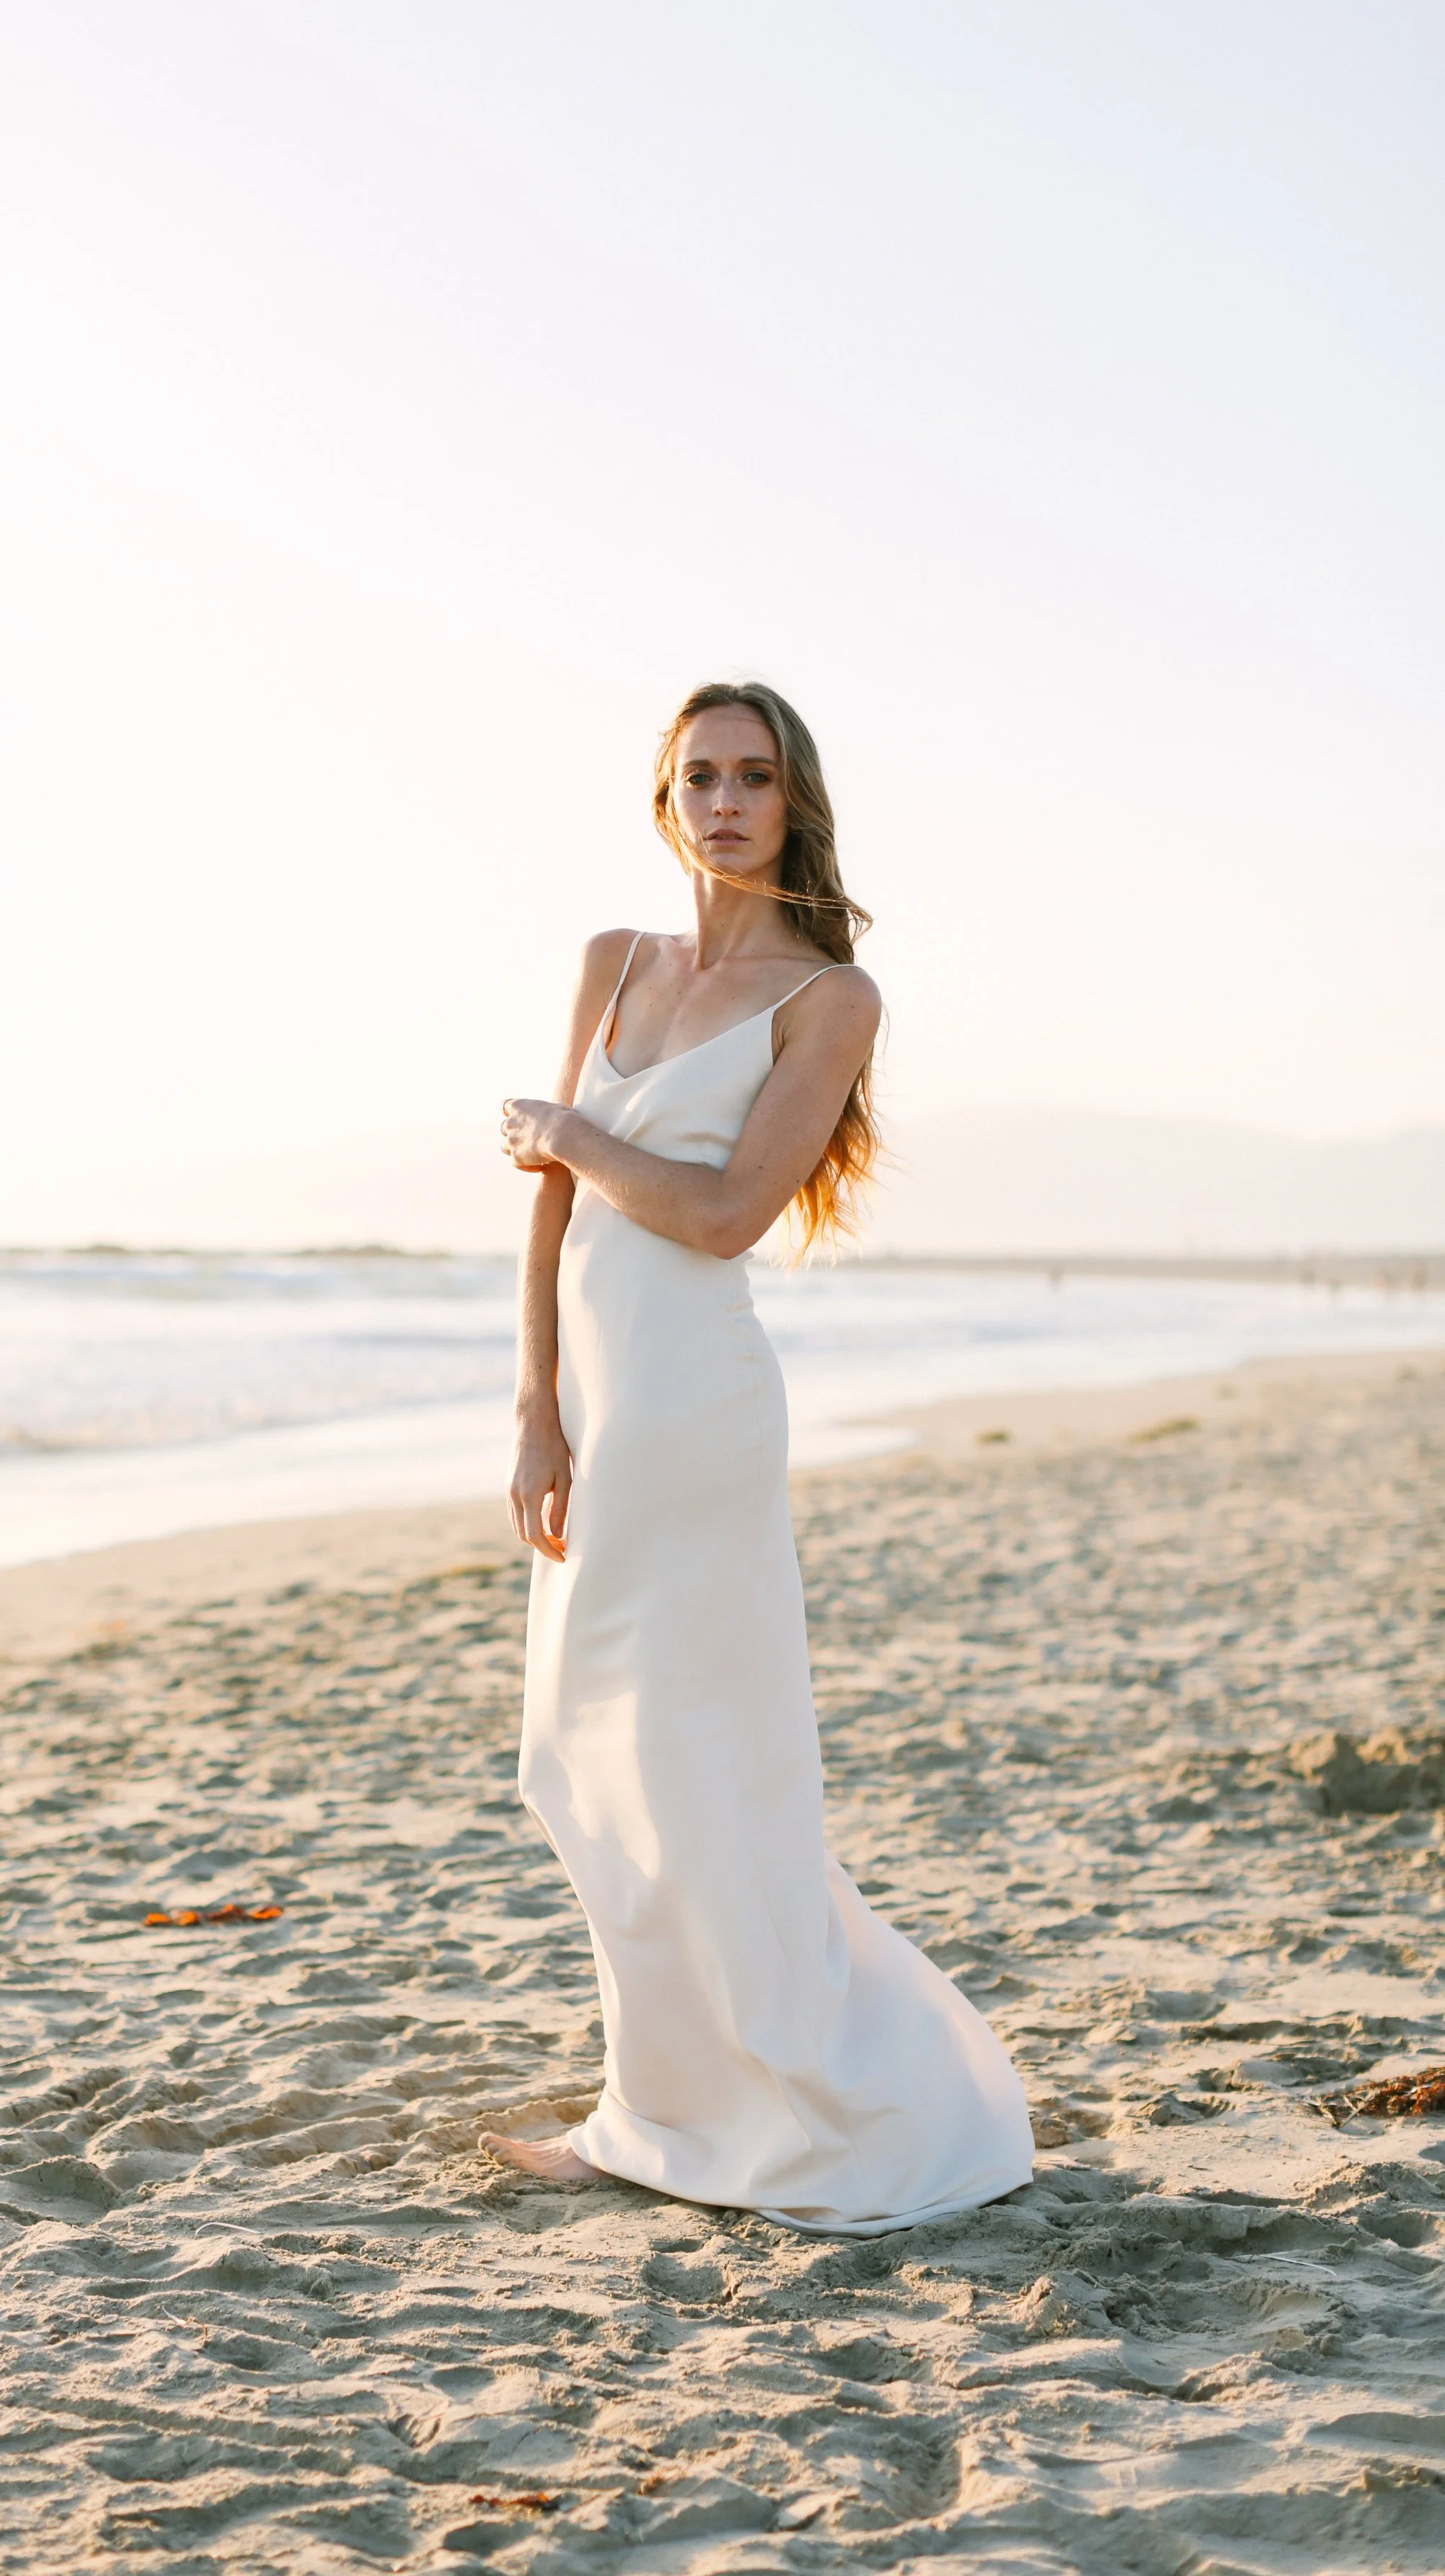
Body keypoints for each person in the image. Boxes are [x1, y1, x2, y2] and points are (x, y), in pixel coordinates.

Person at [483, 681, 1033, 2234]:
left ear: (793, 803)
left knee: (690, 1759)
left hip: (698, 1409)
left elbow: (726, 1218)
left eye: (755, 778)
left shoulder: (831, 999)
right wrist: (534, 1407)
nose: (725, 803)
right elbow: (551, 1211)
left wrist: (569, 1134)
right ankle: (655, 2108)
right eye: (700, 777)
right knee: (585, 1759)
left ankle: (720, 2114)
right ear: (665, 802)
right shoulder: (612, 963)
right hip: (599, 1398)